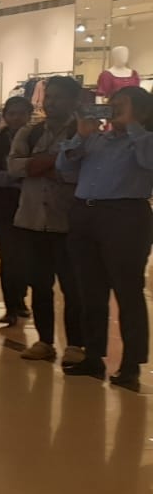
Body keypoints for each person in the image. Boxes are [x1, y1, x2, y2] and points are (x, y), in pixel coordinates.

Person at [55, 86, 153, 390]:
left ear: (141, 110)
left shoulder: (145, 140)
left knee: (128, 291)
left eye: (121, 105)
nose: (113, 109)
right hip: (85, 214)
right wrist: (81, 135)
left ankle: (131, 364)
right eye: (111, 104)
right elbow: (64, 168)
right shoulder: (96, 138)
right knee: (90, 291)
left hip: (125, 216)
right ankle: (93, 356)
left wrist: (132, 125)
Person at [8, 77, 85, 366]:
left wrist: (39, 164)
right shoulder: (30, 132)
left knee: (72, 287)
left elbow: (81, 172)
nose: (51, 103)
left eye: (58, 97)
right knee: (40, 285)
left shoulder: (82, 132)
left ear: (74, 101)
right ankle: (44, 341)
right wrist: (53, 161)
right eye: (49, 97)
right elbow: (13, 166)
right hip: (32, 221)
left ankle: (75, 344)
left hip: (67, 223)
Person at [0, 96, 34, 329]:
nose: (16, 118)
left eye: (21, 113)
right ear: (4, 115)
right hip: (2, 203)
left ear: (29, 115)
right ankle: (11, 305)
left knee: (26, 254)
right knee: (7, 254)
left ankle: (20, 298)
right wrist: (15, 177)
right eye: (12, 113)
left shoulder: (37, 138)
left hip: (30, 202)